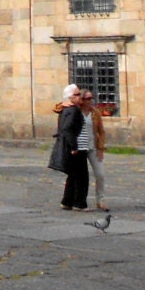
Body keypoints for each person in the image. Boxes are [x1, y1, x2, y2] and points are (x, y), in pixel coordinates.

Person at [53, 82, 89, 210]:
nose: (80, 96)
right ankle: (79, 203)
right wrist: (74, 147)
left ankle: (67, 201)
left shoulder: (66, 109)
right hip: (76, 147)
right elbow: (67, 129)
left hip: (71, 146)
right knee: (81, 177)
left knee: (73, 176)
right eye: (77, 94)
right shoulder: (73, 110)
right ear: (70, 97)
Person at [79, 90, 107, 209]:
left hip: (93, 146)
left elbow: (101, 131)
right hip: (80, 146)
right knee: (80, 176)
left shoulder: (95, 113)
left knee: (100, 174)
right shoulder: (76, 112)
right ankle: (78, 200)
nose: (90, 101)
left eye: (91, 98)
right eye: (87, 98)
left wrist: (100, 147)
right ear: (81, 99)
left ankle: (100, 200)